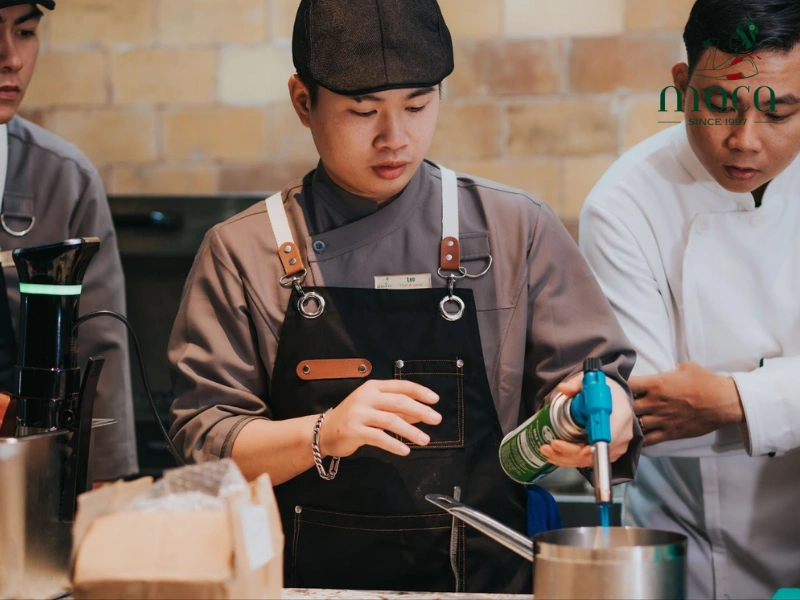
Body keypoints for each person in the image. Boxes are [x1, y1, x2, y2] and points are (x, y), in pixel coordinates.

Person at [168, 0, 640, 593]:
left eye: (417, 106)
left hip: (489, 583)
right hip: (300, 585)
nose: (395, 137)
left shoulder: (515, 230)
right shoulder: (244, 251)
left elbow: (600, 388)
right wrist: (323, 433)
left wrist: (604, 417)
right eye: (363, 111)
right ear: (302, 102)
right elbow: (206, 443)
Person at [579, 1, 800, 597]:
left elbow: (697, 407)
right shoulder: (624, 206)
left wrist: (733, 398)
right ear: (681, 88)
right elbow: (656, 412)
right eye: (721, 105)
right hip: (695, 545)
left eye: (778, 112)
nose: (745, 141)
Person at [0, 0, 138, 482]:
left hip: (29, 480)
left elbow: (101, 344)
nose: (11, 57)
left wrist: (104, 480)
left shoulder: (64, 178)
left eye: (26, 32)